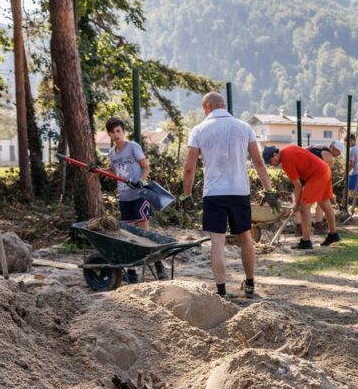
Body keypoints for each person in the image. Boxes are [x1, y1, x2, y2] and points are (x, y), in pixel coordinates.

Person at [181, 91, 279, 298]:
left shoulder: (199, 129)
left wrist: (186, 194)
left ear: (207, 107)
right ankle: (250, 284)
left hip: (214, 193)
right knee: (245, 238)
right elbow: (259, 162)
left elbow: (189, 167)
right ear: (223, 105)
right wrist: (268, 190)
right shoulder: (244, 127)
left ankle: (221, 291)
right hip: (239, 191)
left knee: (217, 242)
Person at [105, 117, 167, 281]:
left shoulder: (132, 147)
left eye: (118, 131)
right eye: (112, 132)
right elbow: (113, 171)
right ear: (109, 135)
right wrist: (96, 169)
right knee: (128, 235)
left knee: (143, 233)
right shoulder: (112, 153)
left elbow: (146, 167)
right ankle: (131, 272)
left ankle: (159, 265)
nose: (116, 135)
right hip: (124, 197)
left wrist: (141, 180)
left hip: (139, 195)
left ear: (123, 132)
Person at [263, 144, 341, 249]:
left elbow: (298, 186)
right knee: (325, 204)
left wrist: (297, 204)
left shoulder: (286, 161)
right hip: (324, 170)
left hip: (317, 174)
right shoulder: (288, 148)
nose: (271, 165)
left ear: (275, 155)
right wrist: (298, 202)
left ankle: (306, 241)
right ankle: (333, 234)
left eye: (271, 161)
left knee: (304, 208)